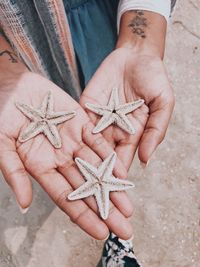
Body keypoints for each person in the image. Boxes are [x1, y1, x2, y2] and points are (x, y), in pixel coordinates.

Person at [0, 0, 176, 266]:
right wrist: (6, 73)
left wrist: (142, 39)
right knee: (71, 112)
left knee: (99, 92)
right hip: (23, 44)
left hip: (105, 18)